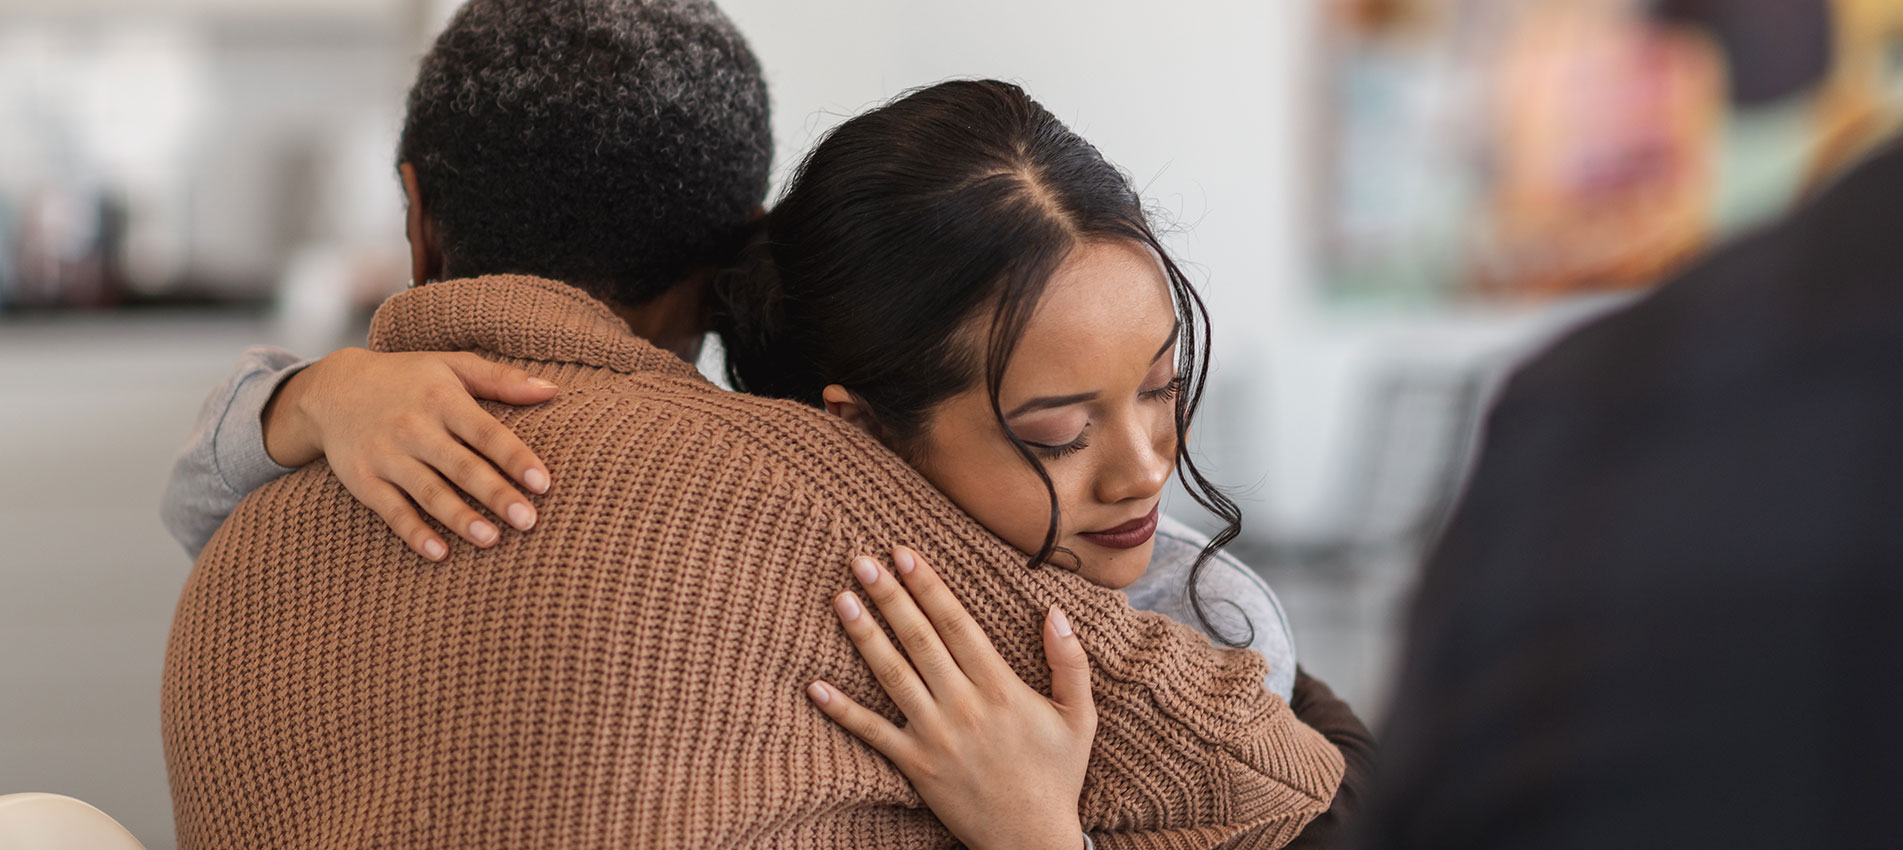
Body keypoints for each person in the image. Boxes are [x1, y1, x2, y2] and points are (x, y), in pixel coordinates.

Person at [160, 2, 1361, 848]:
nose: (1143, 465)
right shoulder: (818, 514)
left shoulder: (238, 561)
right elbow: (1305, 790)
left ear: (415, 214)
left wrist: (311, 393)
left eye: (1162, 387)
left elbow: (199, 487)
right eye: (1052, 428)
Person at [1360, 4, 1903, 848]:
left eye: (1677, 68)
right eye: (1599, 70)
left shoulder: (1592, 417)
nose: (1651, 96)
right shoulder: (1587, 414)